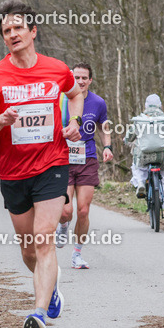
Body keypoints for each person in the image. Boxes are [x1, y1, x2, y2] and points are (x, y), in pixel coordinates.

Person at [0, 0, 83, 328]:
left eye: (18, 27)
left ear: (33, 31)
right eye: (6, 31)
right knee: (27, 250)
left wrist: (76, 121)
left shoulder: (57, 68)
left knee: (44, 237)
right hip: (13, 172)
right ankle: (49, 290)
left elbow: (75, 94)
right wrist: (0, 120)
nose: (12, 34)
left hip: (52, 163)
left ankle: (37, 312)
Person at [55, 63, 113, 269]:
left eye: (84, 78)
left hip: (87, 159)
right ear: (71, 78)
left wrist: (107, 146)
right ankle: (62, 226)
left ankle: (77, 254)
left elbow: (104, 126)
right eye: (76, 77)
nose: (80, 81)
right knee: (65, 211)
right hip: (62, 160)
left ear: (90, 80)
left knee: (83, 211)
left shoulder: (98, 102)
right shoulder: (60, 99)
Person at [125, 93, 164, 218]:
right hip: (162, 156)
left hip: (144, 156)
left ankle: (141, 183)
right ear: (160, 105)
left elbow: (130, 135)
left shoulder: (140, 119)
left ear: (145, 105)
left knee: (137, 166)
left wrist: (126, 140)